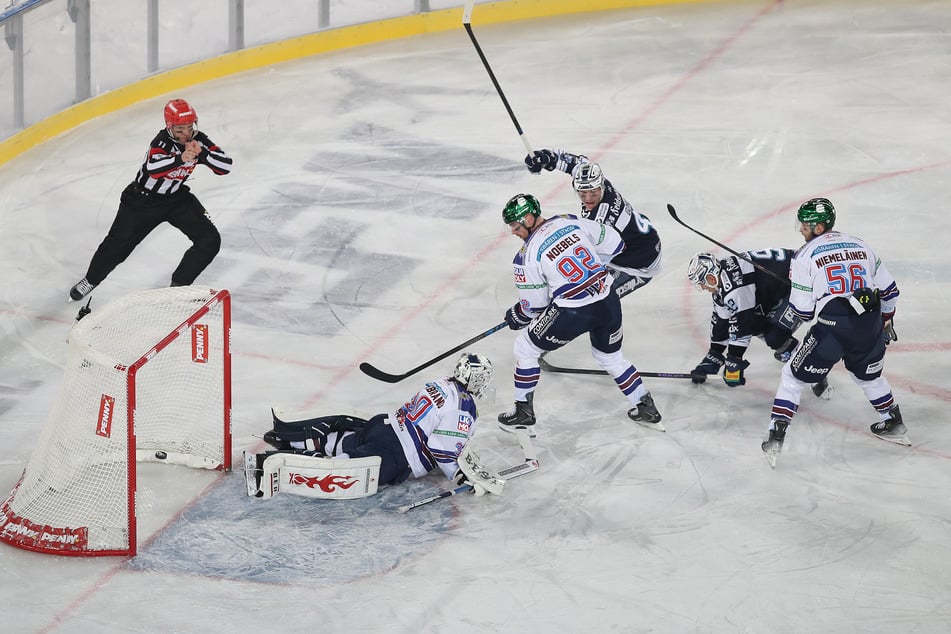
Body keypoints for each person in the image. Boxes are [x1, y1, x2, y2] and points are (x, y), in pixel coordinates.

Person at [497, 193, 663, 434]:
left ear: (530, 218)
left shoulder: (526, 256)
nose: (513, 231)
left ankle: (523, 412)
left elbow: (535, 306)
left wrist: (517, 315)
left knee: (525, 347)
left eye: (515, 225)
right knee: (611, 358)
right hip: (608, 299)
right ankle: (645, 406)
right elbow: (615, 242)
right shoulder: (568, 220)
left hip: (573, 311)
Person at [761, 198, 905, 467]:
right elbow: (890, 292)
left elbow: (803, 311)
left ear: (818, 227)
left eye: (804, 225)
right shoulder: (860, 244)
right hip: (870, 322)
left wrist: (787, 311)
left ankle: (775, 438)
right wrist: (886, 321)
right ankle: (894, 423)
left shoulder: (803, 257)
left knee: (792, 378)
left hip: (834, 328)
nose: (800, 230)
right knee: (869, 377)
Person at [248, 352, 499, 494]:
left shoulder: (442, 383)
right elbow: (441, 449)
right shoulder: (465, 408)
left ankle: (295, 439)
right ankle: (272, 464)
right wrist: (459, 476)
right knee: (341, 468)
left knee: (345, 443)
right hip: (396, 455)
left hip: (383, 425)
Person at [68, 98, 232, 301]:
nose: (186, 134)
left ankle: (178, 287)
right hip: (141, 201)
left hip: (177, 199)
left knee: (210, 240)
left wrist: (203, 154)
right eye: (180, 129)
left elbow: (225, 166)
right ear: (169, 127)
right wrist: (182, 158)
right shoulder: (161, 141)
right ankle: (90, 280)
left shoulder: (199, 140)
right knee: (117, 247)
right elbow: (152, 169)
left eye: (190, 127)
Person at [686, 248, 829, 396]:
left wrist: (734, 359)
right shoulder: (722, 282)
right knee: (757, 324)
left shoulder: (734, 285)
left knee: (774, 335)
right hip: (782, 285)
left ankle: (813, 367)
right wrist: (714, 355)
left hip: (803, 282)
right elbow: (722, 321)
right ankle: (790, 350)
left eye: (702, 283)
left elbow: (743, 322)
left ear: (710, 277)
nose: (703, 288)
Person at [524, 148, 661, 298]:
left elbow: (590, 264)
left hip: (640, 265)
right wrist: (546, 158)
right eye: (582, 193)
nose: (588, 198)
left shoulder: (602, 221)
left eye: (593, 193)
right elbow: (575, 163)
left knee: (596, 298)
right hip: (639, 241)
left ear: (600, 186)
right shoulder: (597, 181)